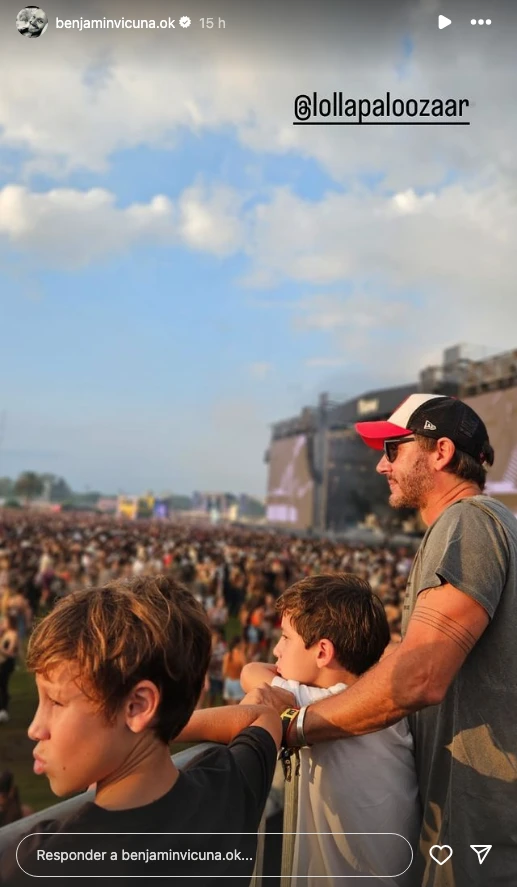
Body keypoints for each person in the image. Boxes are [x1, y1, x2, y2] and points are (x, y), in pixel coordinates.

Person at [245, 394, 517, 887]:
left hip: (482, 836)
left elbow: (420, 678)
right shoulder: (476, 525)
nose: (380, 464)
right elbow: (409, 661)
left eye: (393, 449)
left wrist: (298, 723)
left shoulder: (467, 522)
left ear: (440, 453)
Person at [0, 575, 281, 886]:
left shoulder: (41, 864)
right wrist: (158, 726)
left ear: (138, 705)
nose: (35, 728)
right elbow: (264, 718)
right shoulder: (226, 790)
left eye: (55, 701)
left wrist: (153, 726)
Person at [241, 574, 420, 886]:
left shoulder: (325, 703)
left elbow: (250, 672)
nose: (276, 651)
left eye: (285, 638)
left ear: (322, 652)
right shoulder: (376, 705)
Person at [0, 613, 20, 723]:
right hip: (2, 663)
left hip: (7, 664)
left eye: (5, 621)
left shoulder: (13, 634)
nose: (3, 623)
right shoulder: (5, 633)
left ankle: (3, 711)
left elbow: (11, 653)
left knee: (3, 685)